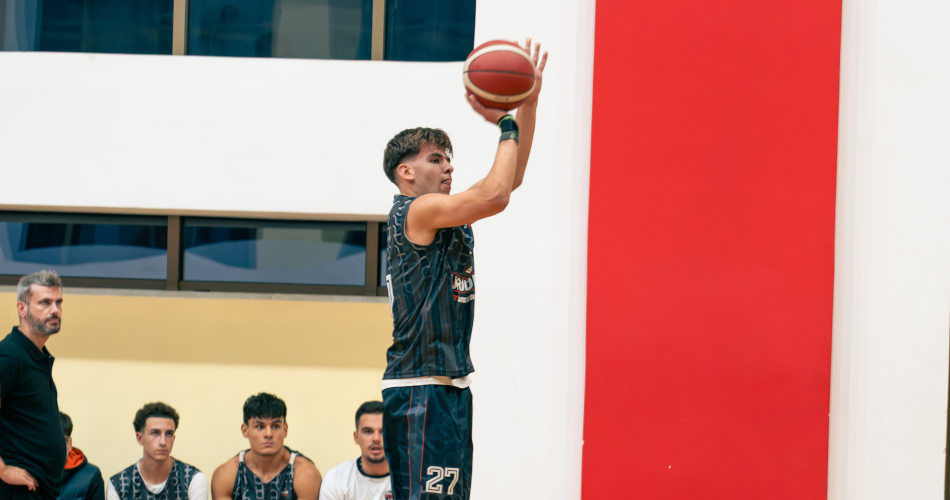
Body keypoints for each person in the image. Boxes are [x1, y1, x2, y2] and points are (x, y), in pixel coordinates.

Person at [380, 39, 547, 500]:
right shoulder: (415, 211)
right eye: (436, 159)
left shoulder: (447, 214)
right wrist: (505, 121)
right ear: (405, 172)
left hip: (449, 389)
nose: (449, 167)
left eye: (449, 158)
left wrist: (528, 103)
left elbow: (509, 180)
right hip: (420, 389)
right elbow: (496, 195)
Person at [0, 270, 67, 500]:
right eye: (45, 302)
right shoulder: (9, 356)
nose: (55, 309)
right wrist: (3, 470)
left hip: (40, 491)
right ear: (22, 308)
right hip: (16, 491)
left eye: (58, 302)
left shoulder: (36, 355)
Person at [210, 393, 321, 500]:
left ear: (285, 430)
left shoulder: (305, 473)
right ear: (245, 430)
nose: (268, 434)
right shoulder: (226, 475)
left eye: (275, 426)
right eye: (260, 427)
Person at [107, 402, 207, 500]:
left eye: (169, 434)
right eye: (155, 433)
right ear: (140, 438)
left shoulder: (192, 479)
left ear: (174, 439)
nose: (163, 442)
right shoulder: (120, 484)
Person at [318, 402, 390, 500]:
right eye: (368, 431)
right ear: (356, 438)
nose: (376, 438)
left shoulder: (409, 478)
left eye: (383, 431)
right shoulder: (336, 479)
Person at [58, 412, 105, 500]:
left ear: (70, 443)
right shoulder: (32, 473)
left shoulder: (91, 476)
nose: (57, 446)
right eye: (51, 441)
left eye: (63, 441)